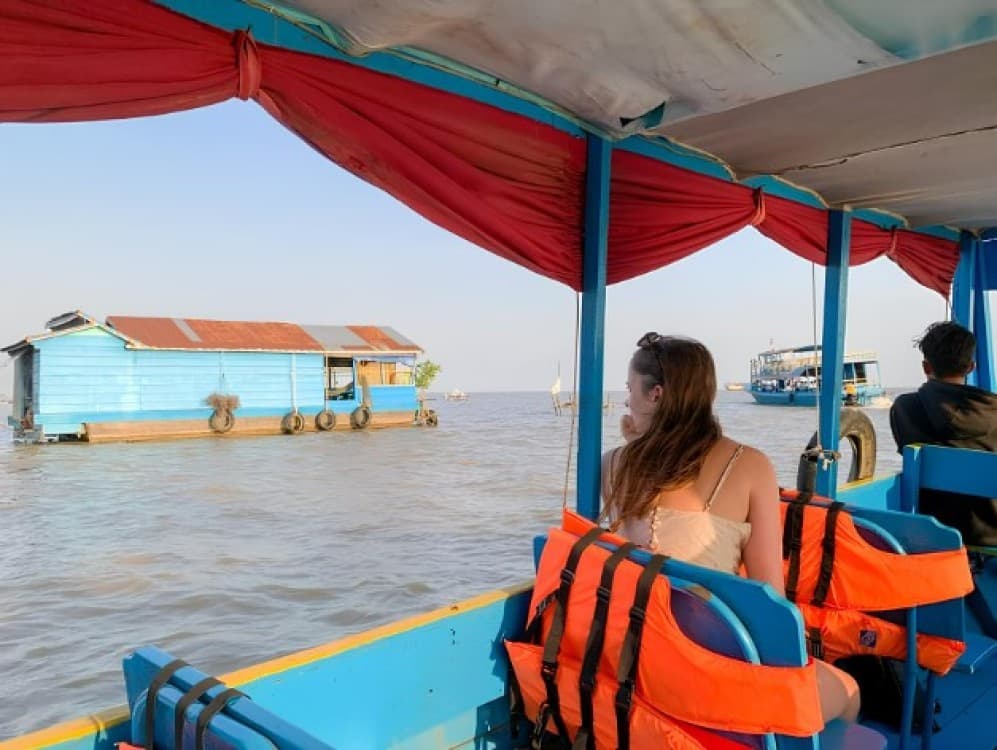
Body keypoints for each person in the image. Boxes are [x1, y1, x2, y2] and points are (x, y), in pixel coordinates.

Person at [601, 332, 860, 724]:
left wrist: (635, 438)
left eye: (629, 389)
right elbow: (768, 596)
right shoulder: (751, 465)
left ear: (655, 395)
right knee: (851, 692)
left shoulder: (610, 465)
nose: (626, 400)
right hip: (708, 673)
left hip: (633, 658)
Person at [890, 321, 997, 548]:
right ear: (971, 367)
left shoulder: (904, 409)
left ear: (926, 367)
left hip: (932, 539)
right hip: (991, 541)